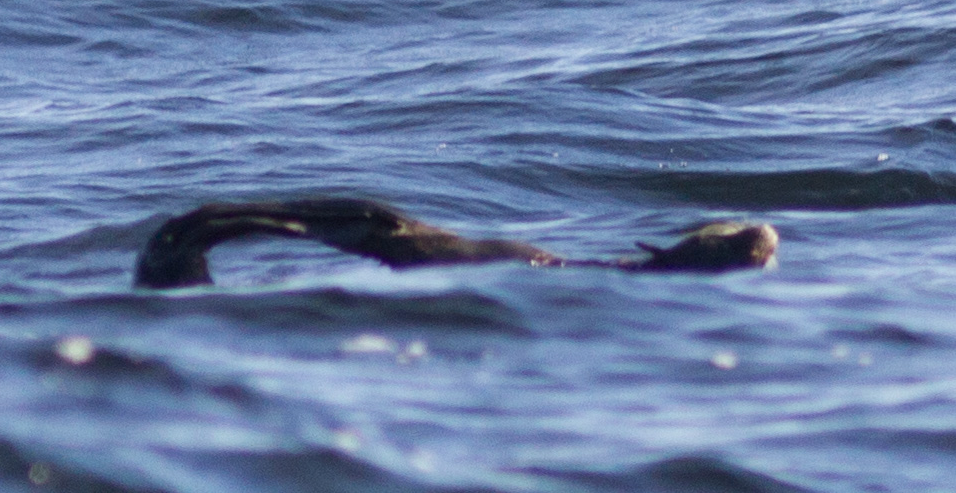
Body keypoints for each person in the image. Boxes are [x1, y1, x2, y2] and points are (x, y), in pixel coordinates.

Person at [134, 198, 778, 289]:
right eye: (734, 247)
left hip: (514, 261)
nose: (759, 247)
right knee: (378, 233)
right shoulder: (662, 280)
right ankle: (209, 228)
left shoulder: (663, 274)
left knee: (375, 232)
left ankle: (208, 230)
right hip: (500, 263)